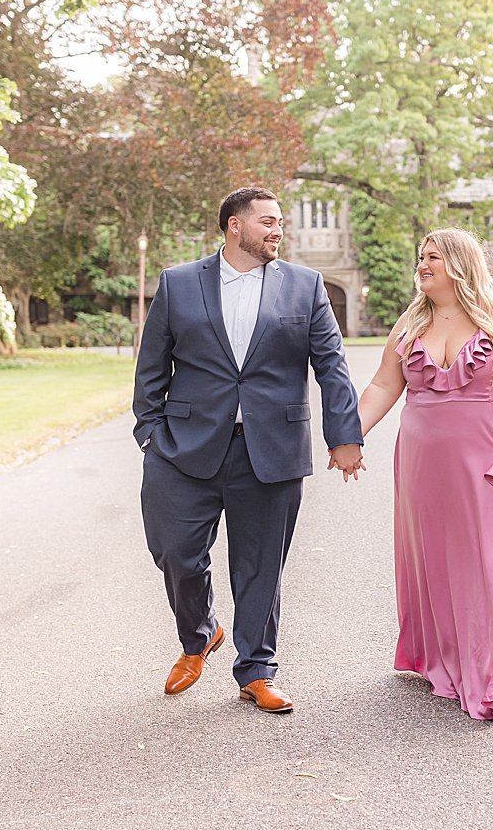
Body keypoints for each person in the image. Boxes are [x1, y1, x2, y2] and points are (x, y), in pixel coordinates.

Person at [133, 187, 364, 714]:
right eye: (267, 221)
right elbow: (152, 365)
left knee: (261, 566)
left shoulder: (305, 287)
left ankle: (256, 669)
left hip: (271, 449)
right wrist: (149, 431)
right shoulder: (178, 283)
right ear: (234, 226)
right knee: (174, 551)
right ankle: (199, 635)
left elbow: (331, 365)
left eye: (281, 221)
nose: (278, 229)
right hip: (183, 448)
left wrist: (344, 435)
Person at [349, 228, 493, 721]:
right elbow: (384, 383)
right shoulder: (412, 319)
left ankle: (490, 678)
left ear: (460, 263)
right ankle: (441, 657)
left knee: (484, 561)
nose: (422, 265)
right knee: (432, 560)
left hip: (484, 458)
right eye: (420, 257)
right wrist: (350, 435)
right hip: (422, 462)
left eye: (433, 258)